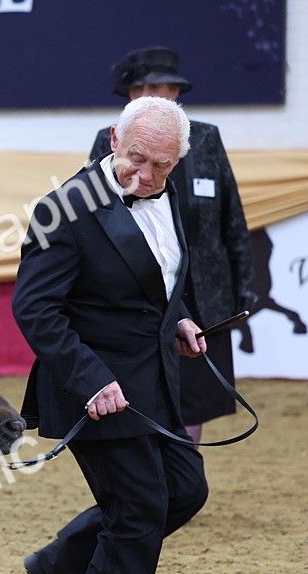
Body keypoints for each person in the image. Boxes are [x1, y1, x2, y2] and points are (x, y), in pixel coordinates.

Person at [12, 96, 210, 574]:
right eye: (137, 160)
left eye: (162, 167)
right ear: (113, 142)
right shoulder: (65, 209)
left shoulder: (169, 193)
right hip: (93, 388)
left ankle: (64, 564)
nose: (146, 177)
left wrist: (177, 319)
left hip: (155, 384)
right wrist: (91, 378)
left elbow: (153, 280)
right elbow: (36, 309)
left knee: (184, 490)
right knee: (139, 508)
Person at [90, 47, 253, 444]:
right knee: (144, 390)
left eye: (158, 86)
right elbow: (96, 222)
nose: (150, 94)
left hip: (204, 294)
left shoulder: (208, 138)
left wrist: (243, 284)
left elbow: (232, 217)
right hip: (142, 292)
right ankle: (157, 475)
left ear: (175, 92)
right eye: (140, 88)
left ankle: (184, 470)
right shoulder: (107, 142)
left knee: (196, 394)